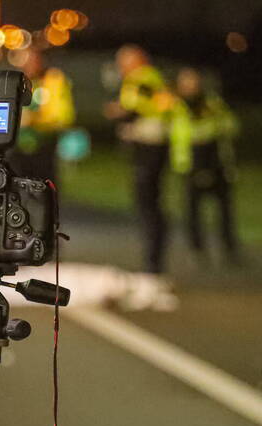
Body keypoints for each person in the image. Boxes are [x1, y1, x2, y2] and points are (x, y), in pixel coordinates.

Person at [104, 45, 174, 275]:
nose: (120, 68)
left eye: (123, 63)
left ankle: (153, 261)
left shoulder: (142, 78)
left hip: (149, 146)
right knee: (149, 202)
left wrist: (117, 111)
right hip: (151, 145)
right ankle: (153, 259)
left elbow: (137, 108)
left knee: (148, 204)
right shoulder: (149, 77)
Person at [170, 67, 240, 265]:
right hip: (188, 164)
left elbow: (231, 127)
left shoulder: (213, 104)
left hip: (214, 160)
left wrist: (212, 117)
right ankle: (197, 249)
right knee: (192, 211)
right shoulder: (176, 107)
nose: (189, 87)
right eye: (185, 83)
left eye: (193, 83)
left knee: (224, 209)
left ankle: (229, 248)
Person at [12, 49, 76, 186]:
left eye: (32, 61)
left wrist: (34, 119)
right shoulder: (17, 85)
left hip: (44, 144)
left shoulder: (52, 79)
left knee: (45, 185)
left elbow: (61, 115)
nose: (28, 66)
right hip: (18, 148)